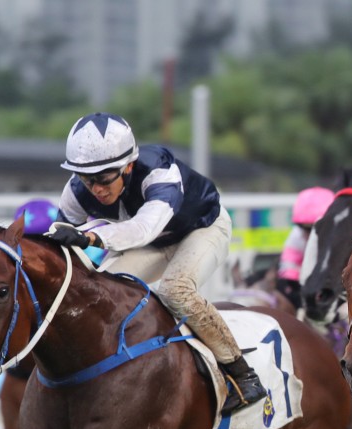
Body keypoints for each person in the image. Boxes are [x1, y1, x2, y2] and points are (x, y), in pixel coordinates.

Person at [49, 112, 266, 413]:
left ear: (127, 166)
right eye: (87, 178)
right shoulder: (76, 191)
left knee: (175, 290)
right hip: (154, 243)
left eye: (103, 177)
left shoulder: (158, 172)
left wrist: (91, 237)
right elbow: (60, 243)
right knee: (95, 292)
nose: (96, 188)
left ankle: (243, 375)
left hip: (202, 229)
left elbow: (142, 229)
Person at [281, 186, 335, 309]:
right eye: (307, 229)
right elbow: (289, 269)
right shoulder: (295, 238)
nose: (312, 234)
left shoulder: (338, 239)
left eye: (317, 228)